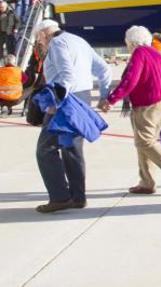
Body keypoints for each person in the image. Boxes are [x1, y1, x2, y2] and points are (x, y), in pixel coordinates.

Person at [98, 26, 161, 194]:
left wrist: (111, 100)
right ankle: (147, 182)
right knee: (147, 142)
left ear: (131, 42)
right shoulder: (155, 52)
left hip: (149, 104)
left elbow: (130, 81)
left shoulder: (139, 53)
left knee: (144, 141)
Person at [33, 19, 112, 213]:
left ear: (44, 33)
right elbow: (104, 69)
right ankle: (78, 197)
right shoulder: (79, 40)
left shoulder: (57, 43)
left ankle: (60, 197)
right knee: (72, 149)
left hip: (65, 101)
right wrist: (103, 95)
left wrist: (57, 101)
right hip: (83, 97)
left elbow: (67, 75)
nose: (40, 43)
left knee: (45, 149)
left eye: (39, 39)